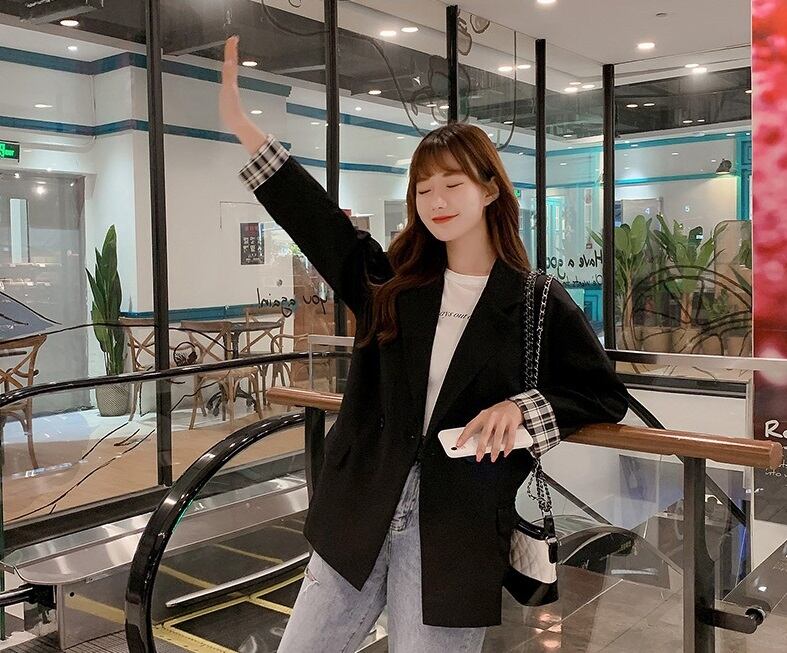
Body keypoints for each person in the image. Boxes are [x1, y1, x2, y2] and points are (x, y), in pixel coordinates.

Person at [220, 35, 629, 653]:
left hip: (456, 523)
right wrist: (242, 125)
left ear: (489, 190)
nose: (435, 201)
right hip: (361, 506)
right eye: (423, 188)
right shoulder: (392, 285)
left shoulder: (533, 299)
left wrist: (522, 408)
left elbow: (601, 395)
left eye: (452, 185)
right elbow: (316, 222)